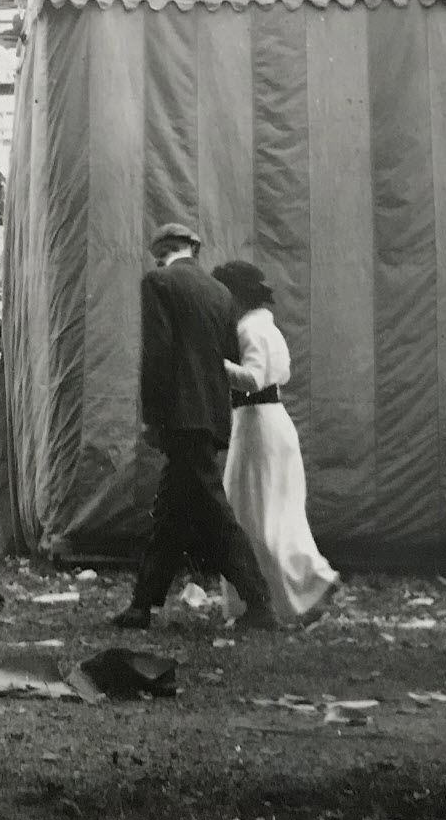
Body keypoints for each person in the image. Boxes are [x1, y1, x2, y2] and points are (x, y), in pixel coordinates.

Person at [113, 222, 277, 633]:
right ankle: (141, 605)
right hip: (211, 416)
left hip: (180, 417)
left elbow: (159, 357)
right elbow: (223, 357)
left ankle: (259, 601)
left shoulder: (158, 282)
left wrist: (154, 418)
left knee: (213, 511)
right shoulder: (220, 293)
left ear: (160, 252)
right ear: (193, 249)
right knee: (173, 510)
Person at [212, 261, 339, 623]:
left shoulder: (249, 330)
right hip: (270, 422)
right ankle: (302, 586)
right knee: (275, 513)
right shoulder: (266, 328)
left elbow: (253, 379)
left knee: (251, 514)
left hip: (256, 424)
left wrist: (212, 362)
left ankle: (284, 594)